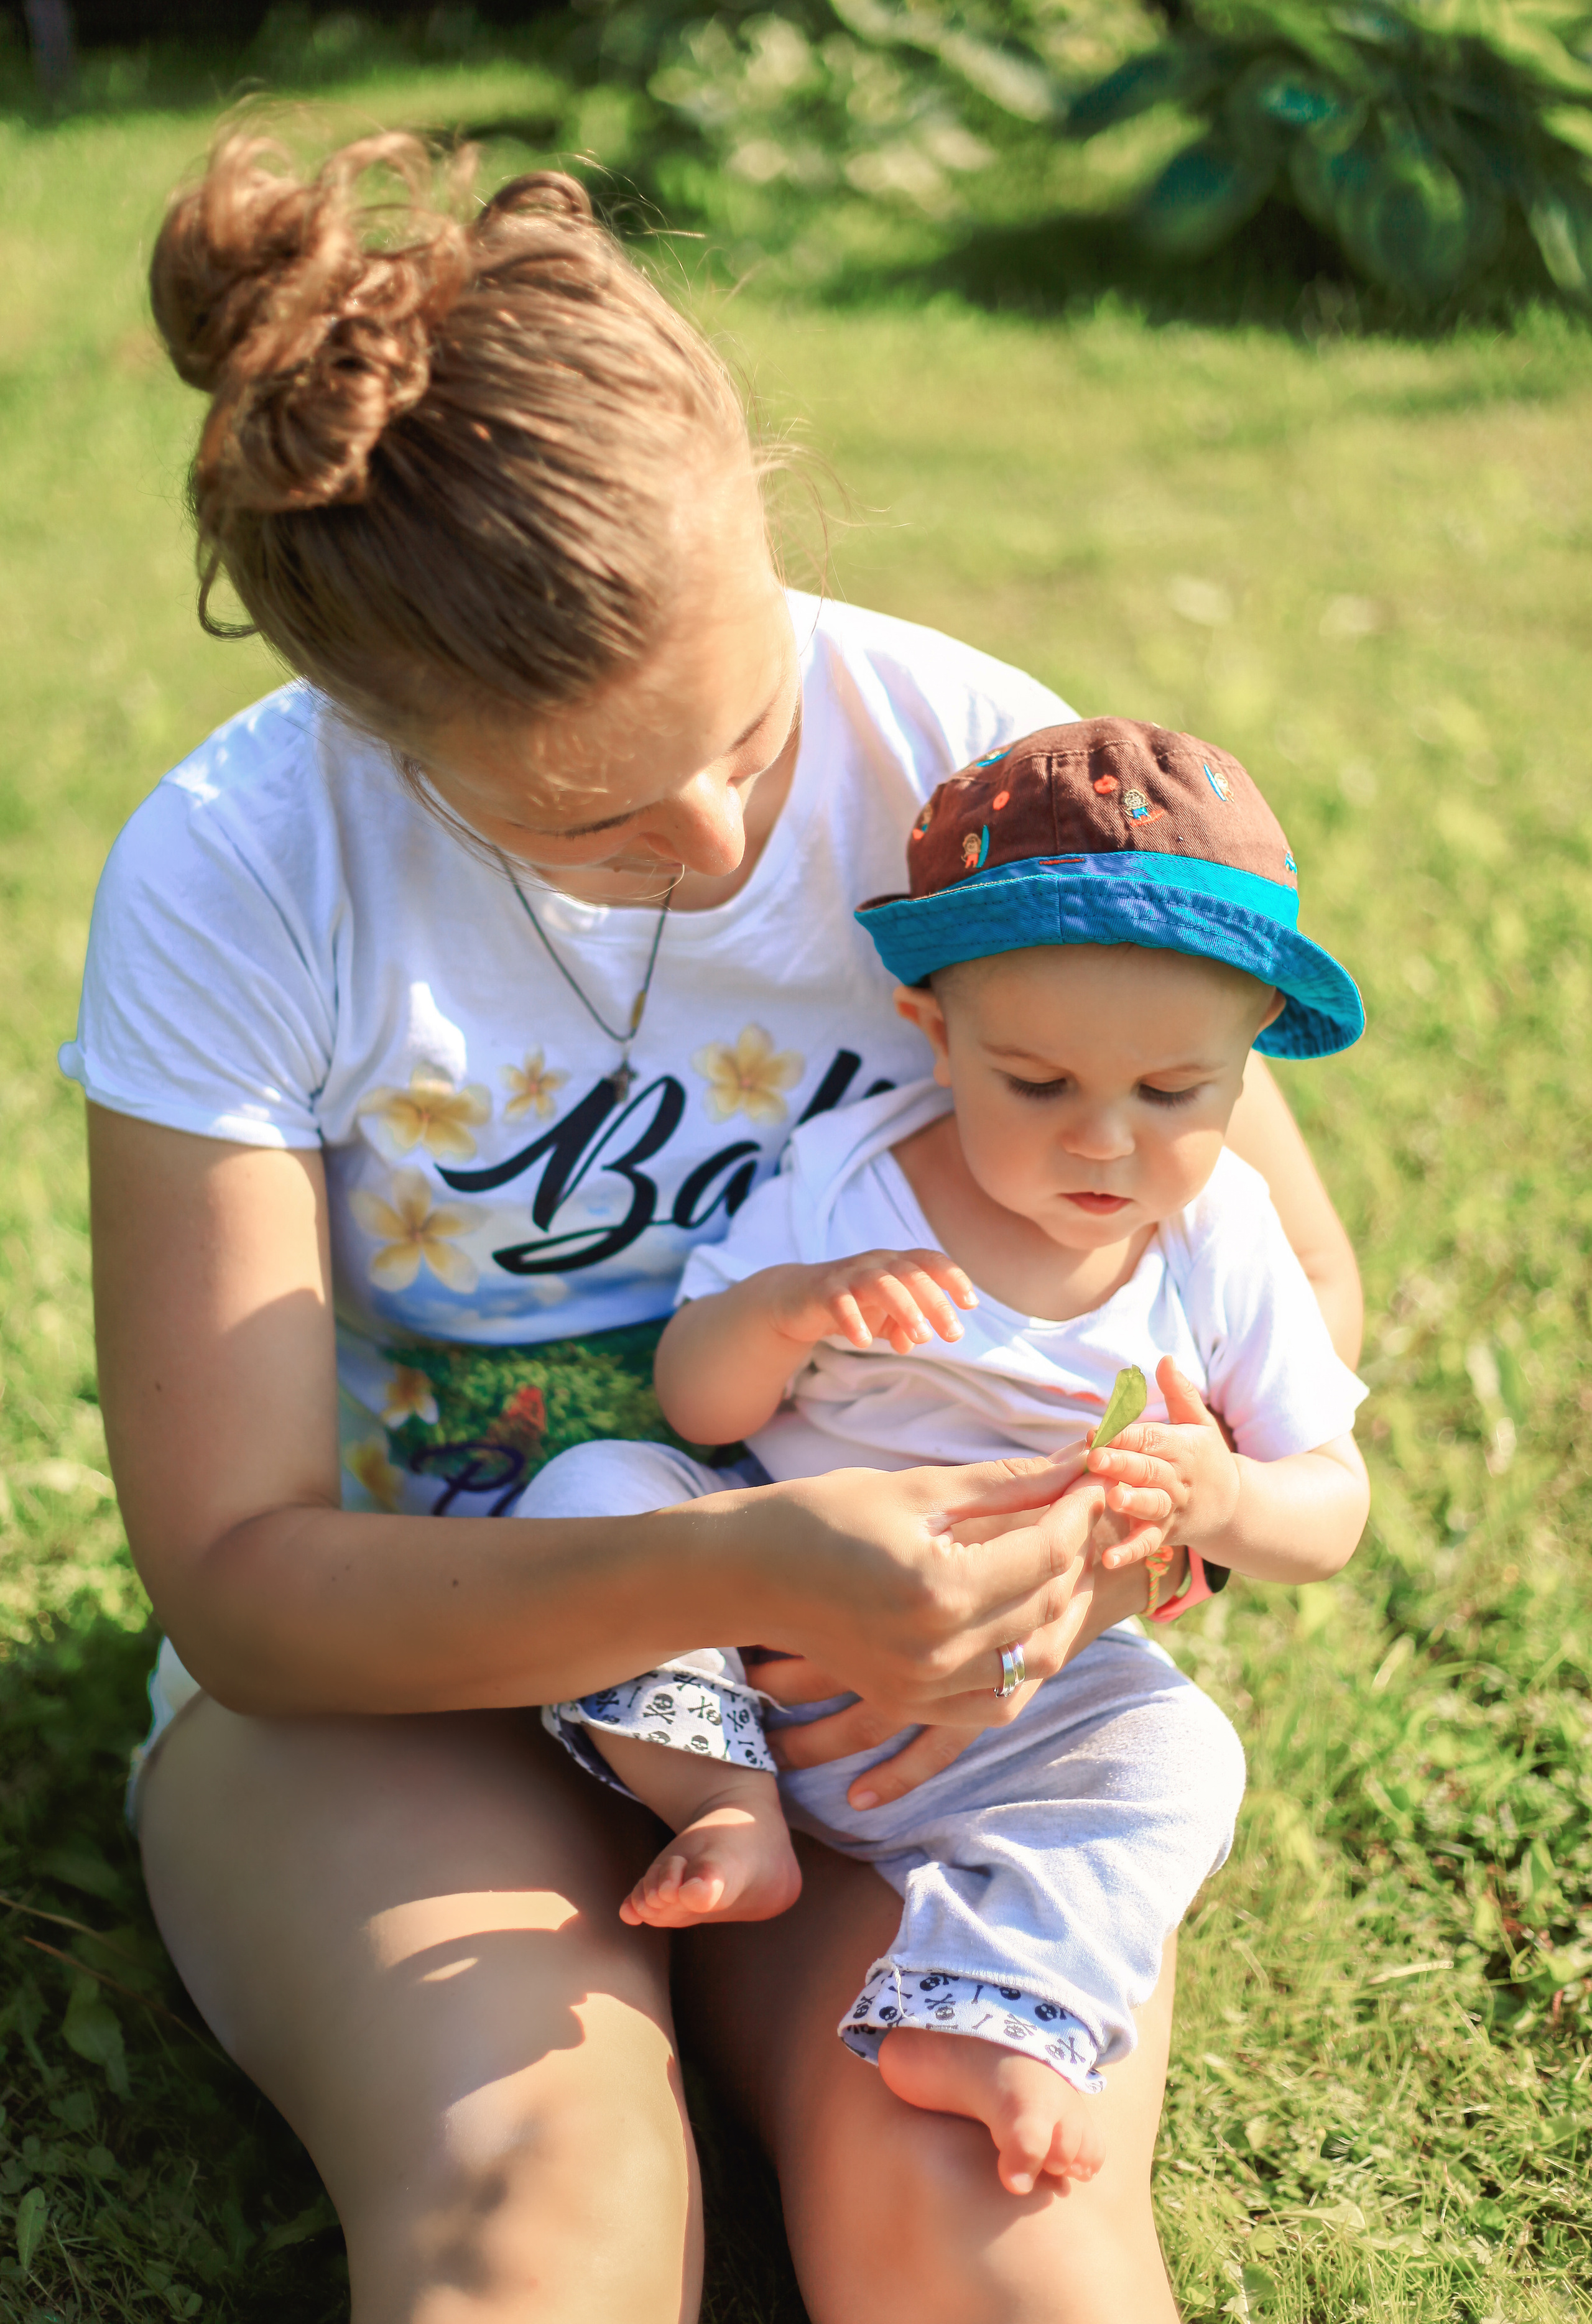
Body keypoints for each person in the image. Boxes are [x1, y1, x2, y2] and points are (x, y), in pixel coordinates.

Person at [65, 122, 1364, 2322]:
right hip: (405, 1692)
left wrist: (1124, 1529)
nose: (716, 829)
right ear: (375, 728)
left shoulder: (975, 760)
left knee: (993, 2227)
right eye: (584, 812)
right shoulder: (246, 867)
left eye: (745, 726)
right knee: (547, 2213)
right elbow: (256, 1589)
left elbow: (1272, 1265)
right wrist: (743, 1561)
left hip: (893, 1713)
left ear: (763, 502)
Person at [521, 719, 1370, 2198]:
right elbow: (696, 1407)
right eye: (1035, 1085)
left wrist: (1224, 1498)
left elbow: (1332, 1507)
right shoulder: (853, 1175)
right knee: (591, 1492)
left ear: (1244, 1066)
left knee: (1176, 1754)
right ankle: (716, 1807)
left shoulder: (1216, 1236)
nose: (1102, 1141)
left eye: (1172, 1096)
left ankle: (992, 2013)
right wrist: (783, 1310)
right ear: (936, 1033)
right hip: (761, 1626)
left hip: (1010, 1683)